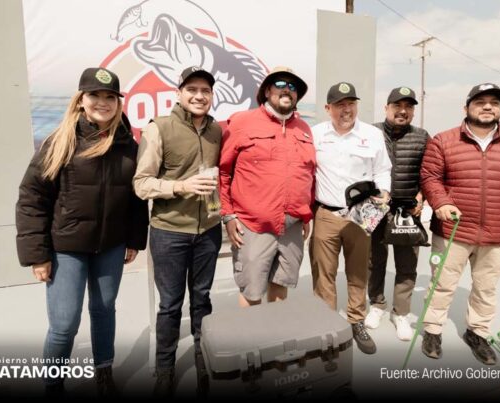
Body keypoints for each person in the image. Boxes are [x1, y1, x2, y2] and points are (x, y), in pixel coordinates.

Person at [16, 67, 149, 396]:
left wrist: (133, 239)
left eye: (110, 97)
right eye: (95, 95)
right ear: (81, 100)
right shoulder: (59, 142)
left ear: (118, 103)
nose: (102, 102)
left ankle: (103, 372)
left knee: (104, 310)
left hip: (111, 247)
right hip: (66, 249)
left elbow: (135, 198)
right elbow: (31, 200)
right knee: (64, 325)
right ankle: (53, 384)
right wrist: (38, 255)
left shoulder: (128, 146)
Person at [419, 83, 500, 365]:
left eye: (494, 102)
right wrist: (440, 203)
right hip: (452, 231)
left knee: (486, 288)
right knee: (441, 284)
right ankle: (432, 330)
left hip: (498, 233)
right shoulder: (444, 140)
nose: (488, 106)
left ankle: (477, 333)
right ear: (466, 108)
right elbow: (429, 176)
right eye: (480, 102)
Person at [132, 66, 221, 398]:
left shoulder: (216, 131)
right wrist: (182, 186)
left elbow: (217, 179)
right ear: (179, 92)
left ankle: (204, 362)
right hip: (169, 232)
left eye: (206, 90)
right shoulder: (160, 128)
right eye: (192, 89)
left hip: (208, 231)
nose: (199, 96)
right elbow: (141, 184)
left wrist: (219, 214)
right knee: (170, 305)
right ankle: (165, 370)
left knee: (203, 301)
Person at [219, 67, 316, 307]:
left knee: (280, 287)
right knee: (252, 293)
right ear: (267, 90)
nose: (287, 89)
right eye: (281, 83)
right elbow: (224, 172)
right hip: (253, 226)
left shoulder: (304, 129)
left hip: (292, 226)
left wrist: (306, 215)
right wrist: (228, 215)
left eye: (293, 87)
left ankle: (274, 339)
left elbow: (308, 173)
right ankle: (250, 344)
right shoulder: (242, 122)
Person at [310, 82, 392, 355]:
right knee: (324, 274)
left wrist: (384, 193)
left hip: (360, 216)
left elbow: (382, 170)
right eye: (340, 104)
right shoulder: (315, 134)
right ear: (328, 108)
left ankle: (356, 320)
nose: (347, 109)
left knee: (358, 272)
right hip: (327, 214)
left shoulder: (372, 134)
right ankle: (326, 326)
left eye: (351, 104)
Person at [364, 87, 430, 342]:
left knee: (407, 264)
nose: (403, 111)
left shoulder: (422, 136)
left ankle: (401, 313)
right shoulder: (370, 133)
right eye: (397, 106)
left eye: (409, 107)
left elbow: (431, 172)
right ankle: (377, 305)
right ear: (386, 108)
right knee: (374, 260)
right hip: (376, 207)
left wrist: (422, 196)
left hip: (407, 210)